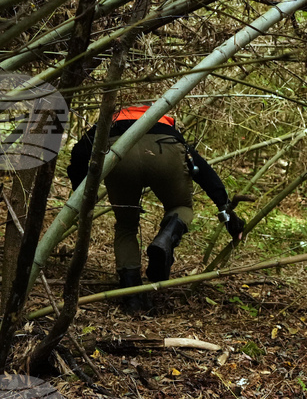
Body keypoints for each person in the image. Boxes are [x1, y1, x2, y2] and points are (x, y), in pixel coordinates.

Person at [66, 105, 246, 312]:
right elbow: (203, 171)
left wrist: (82, 191)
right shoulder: (165, 125)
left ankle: (132, 295)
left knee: (126, 226)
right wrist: (226, 209)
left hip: (119, 153)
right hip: (165, 149)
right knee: (180, 206)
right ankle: (167, 236)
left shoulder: (110, 121)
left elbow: (79, 152)